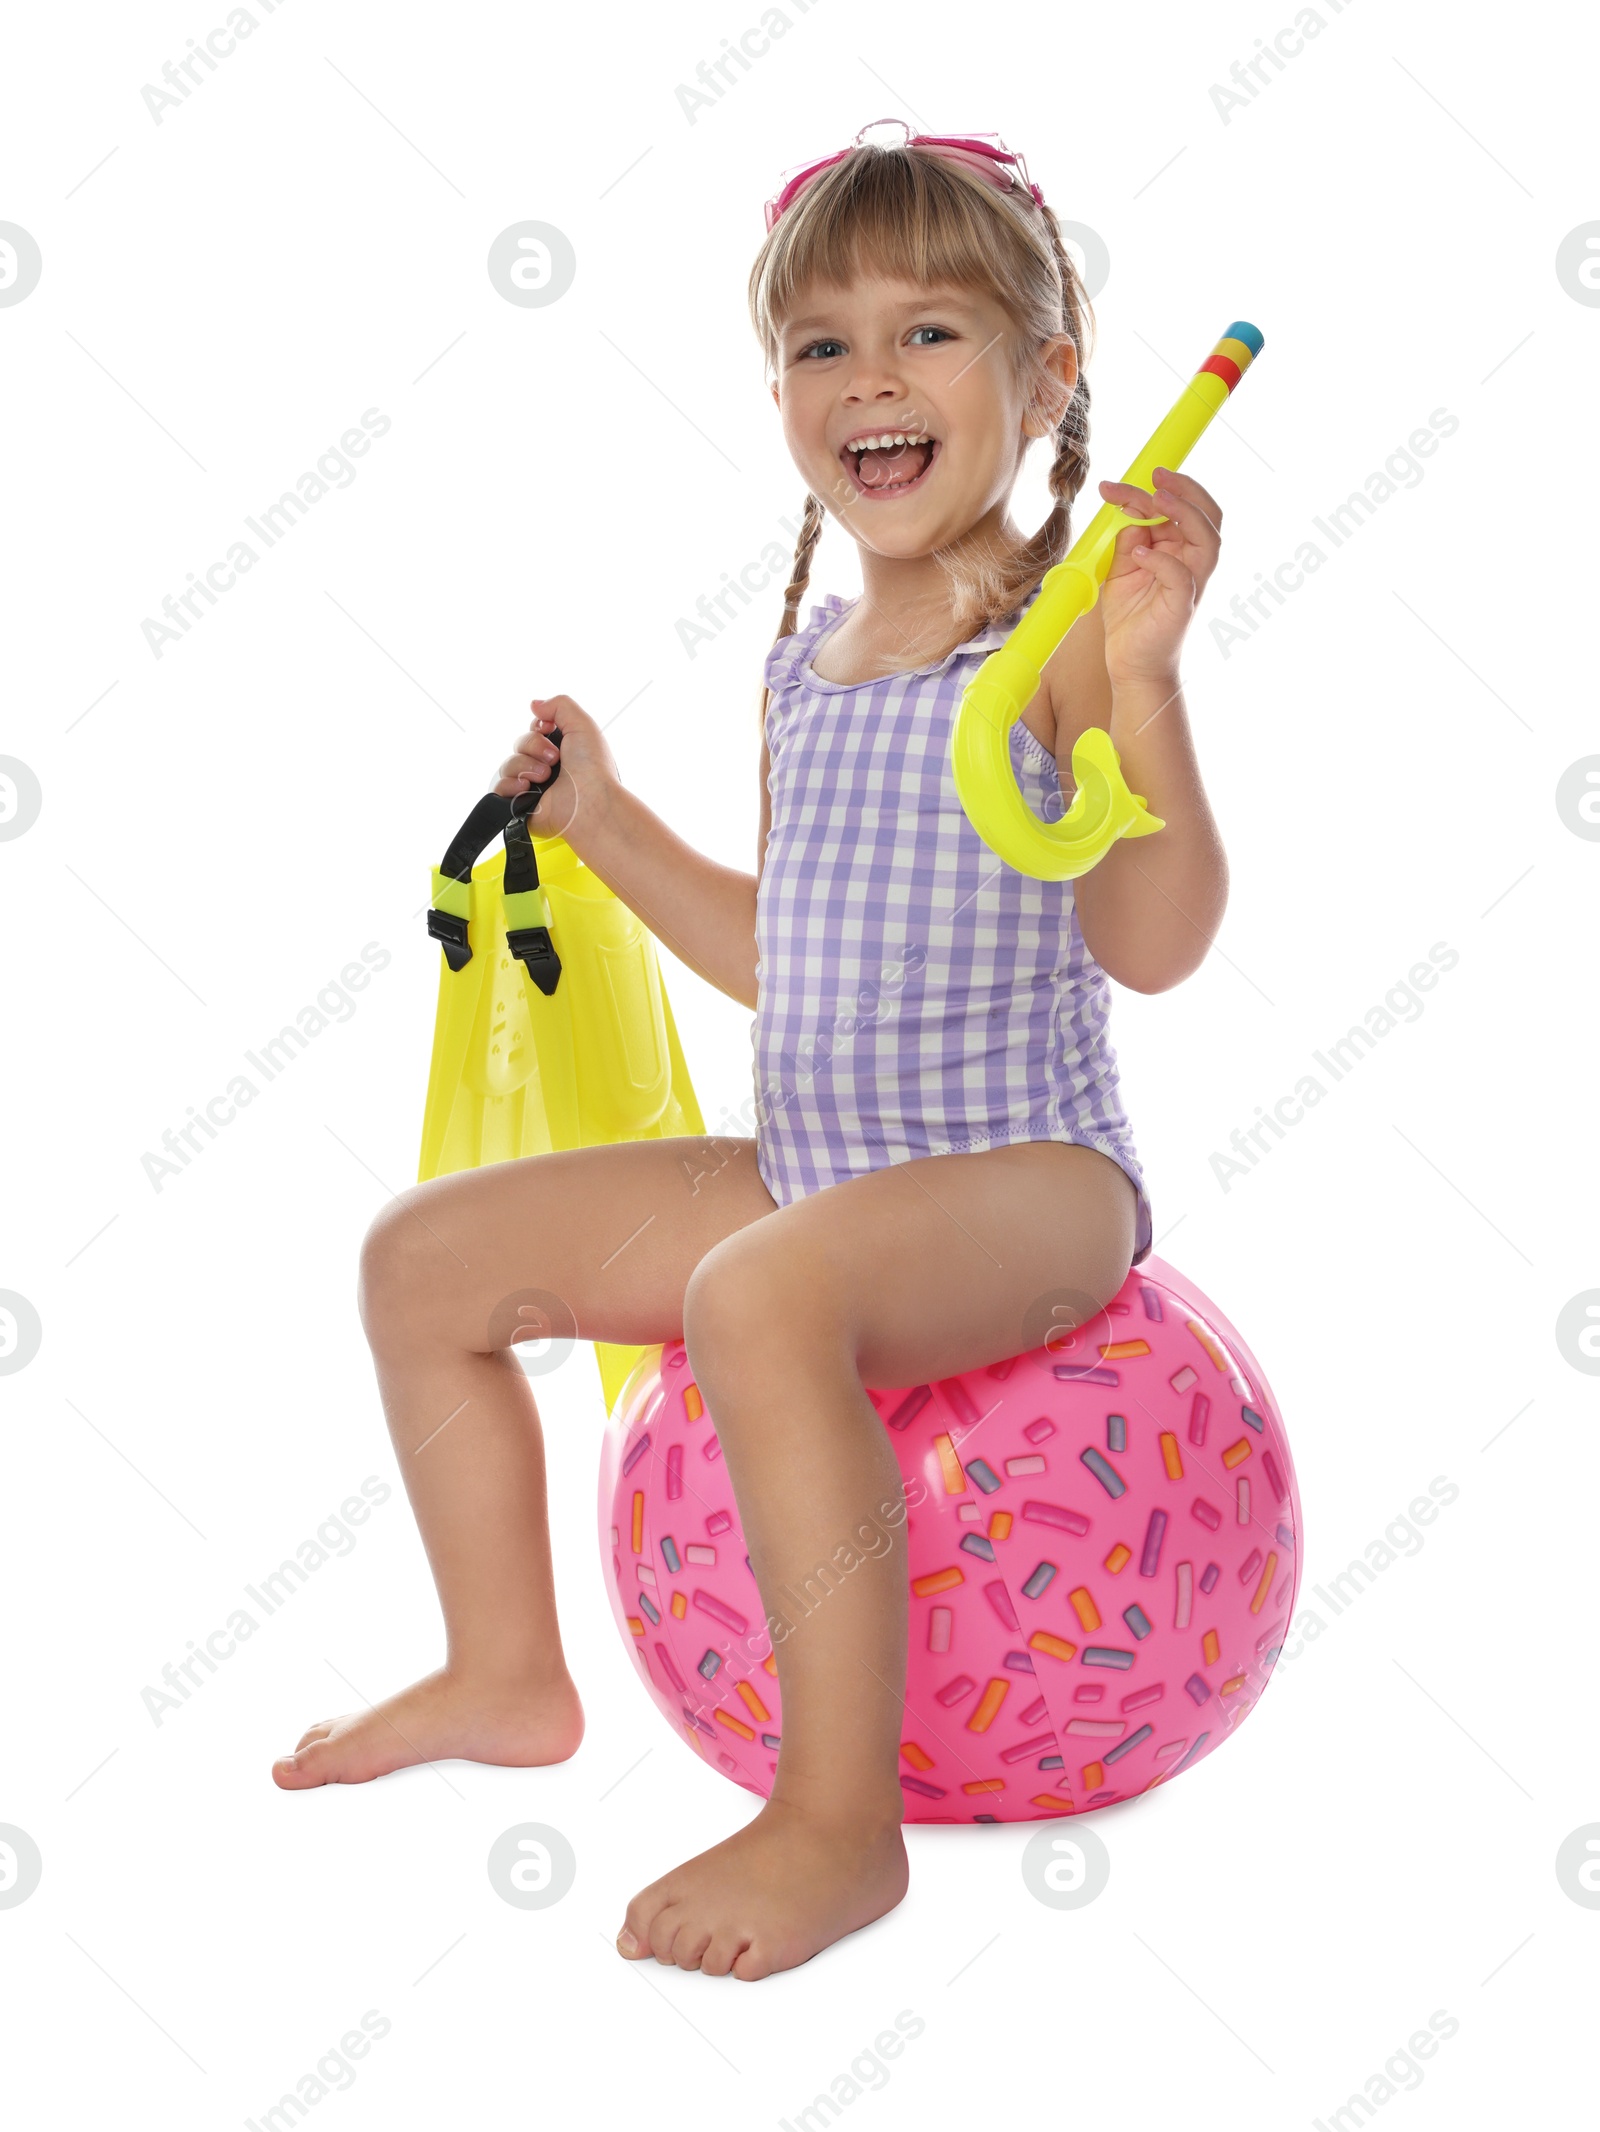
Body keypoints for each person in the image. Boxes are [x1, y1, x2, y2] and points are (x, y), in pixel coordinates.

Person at [272, 119, 1228, 1982]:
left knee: (760, 1296)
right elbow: (802, 966)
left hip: (1029, 1180)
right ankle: (505, 1667)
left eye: (932, 333)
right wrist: (610, 827)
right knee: (424, 1256)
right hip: (829, 1160)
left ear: (1052, 373)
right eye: (823, 344)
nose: (871, 378)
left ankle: (835, 1822)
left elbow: (1157, 942)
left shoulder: (1054, 636)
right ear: (783, 391)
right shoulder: (810, 663)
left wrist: (1152, 680)